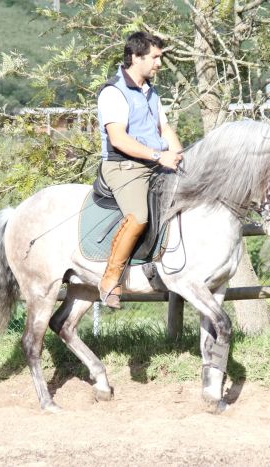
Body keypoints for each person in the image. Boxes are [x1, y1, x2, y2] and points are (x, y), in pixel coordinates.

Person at [96, 31, 183, 309]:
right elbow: (118, 139)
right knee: (139, 217)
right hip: (124, 166)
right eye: (155, 57)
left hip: (155, 162)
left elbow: (164, 129)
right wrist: (159, 156)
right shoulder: (114, 92)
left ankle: (160, 267)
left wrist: (180, 157)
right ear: (136, 57)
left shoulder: (151, 92)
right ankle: (110, 280)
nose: (159, 63)